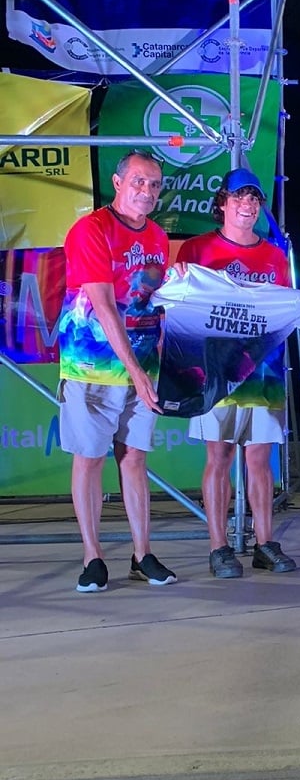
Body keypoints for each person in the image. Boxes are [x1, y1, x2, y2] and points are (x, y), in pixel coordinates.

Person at [58, 149, 177, 592]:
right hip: (93, 367)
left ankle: (142, 554)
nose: (147, 191)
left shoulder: (158, 237)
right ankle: (93, 557)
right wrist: (136, 371)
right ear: (118, 182)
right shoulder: (92, 229)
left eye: (154, 184)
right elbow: (105, 306)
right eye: (139, 182)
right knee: (90, 459)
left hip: (143, 368)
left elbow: (154, 302)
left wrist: (157, 362)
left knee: (135, 458)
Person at [177, 168, 300, 578]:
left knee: (260, 458)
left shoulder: (274, 255)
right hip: (215, 371)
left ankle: (265, 543)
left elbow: (284, 308)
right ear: (223, 203)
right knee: (219, 456)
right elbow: (179, 306)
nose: (247, 205)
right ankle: (219, 547)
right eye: (239, 197)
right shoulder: (196, 249)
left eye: (254, 198)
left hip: (263, 372)